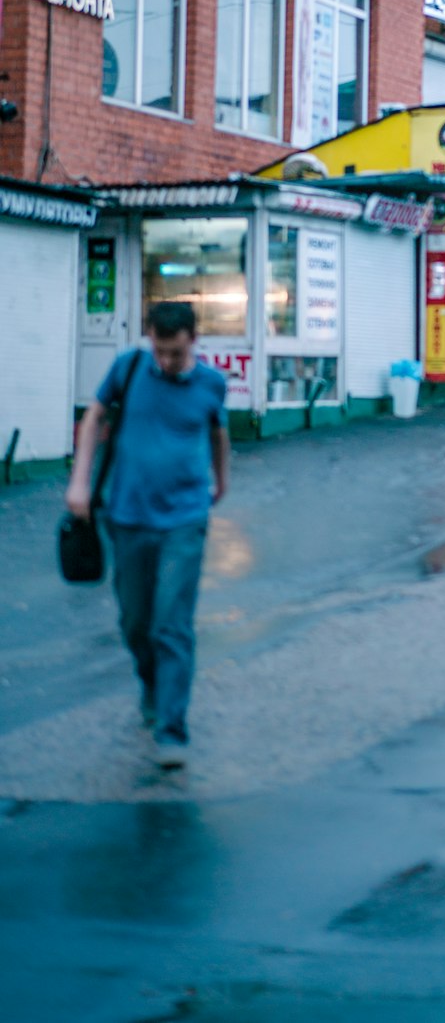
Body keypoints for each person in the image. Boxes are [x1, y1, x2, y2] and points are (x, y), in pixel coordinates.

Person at [65, 301, 229, 770]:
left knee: (172, 623)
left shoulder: (212, 384)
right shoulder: (129, 367)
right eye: (160, 349)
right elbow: (95, 417)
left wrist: (222, 480)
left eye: (175, 353)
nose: (166, 361)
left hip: (185, 518)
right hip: (127, 516)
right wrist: (79, 480)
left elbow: (218, 433)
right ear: (149, 338)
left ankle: (172, 729)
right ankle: (152, 686)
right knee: (135, 623)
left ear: (193, 341)